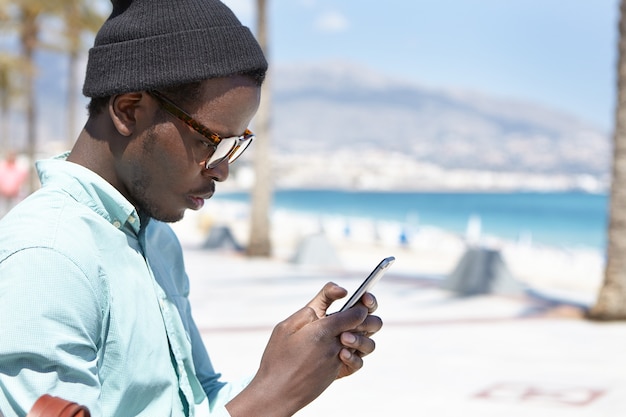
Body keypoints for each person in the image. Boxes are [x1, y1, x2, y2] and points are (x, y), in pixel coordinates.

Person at [0, 0, 383, 416]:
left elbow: (189, 403)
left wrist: (294, 372)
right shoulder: (48, 255)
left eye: (235, 145)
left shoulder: (154, 238)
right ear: (129, 110)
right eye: (209, 141)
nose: (221, 171)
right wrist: (272, 398)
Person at [0, 151, 28, 216]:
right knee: (2, 213)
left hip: (15, 195)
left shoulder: (19, 168)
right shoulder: (2, 167)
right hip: (2, 195)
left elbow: (23, 180)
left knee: (13, 213)